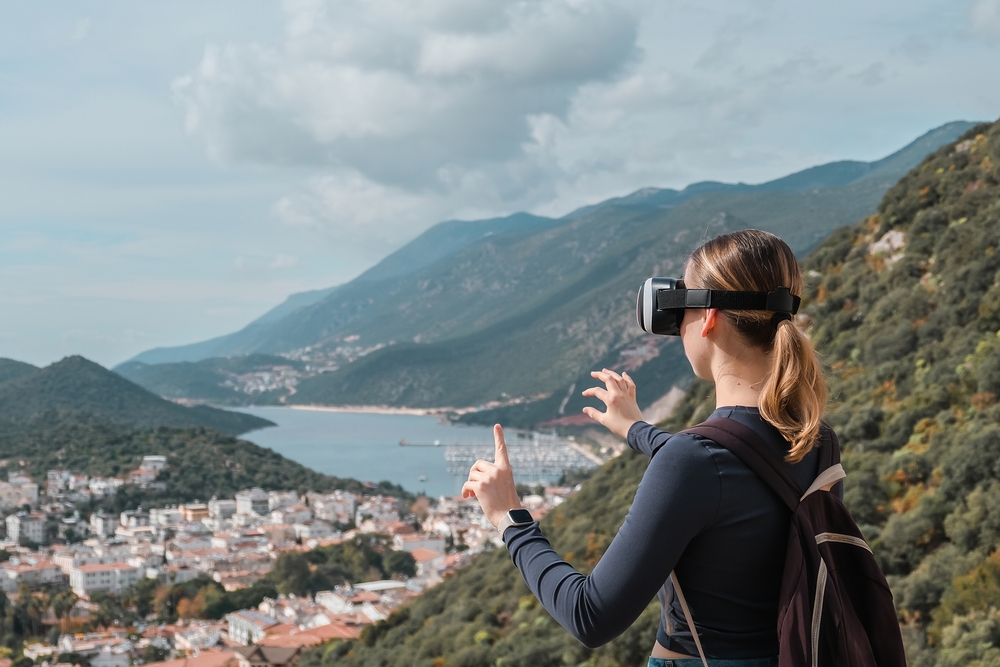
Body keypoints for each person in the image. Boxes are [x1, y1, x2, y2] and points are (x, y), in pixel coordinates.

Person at [463, 229, 832, 667]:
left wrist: (510, 517)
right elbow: (733, 468)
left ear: (708, 316)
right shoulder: (816, 438)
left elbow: (590, 616)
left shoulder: (694, 462)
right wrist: (637, 428)